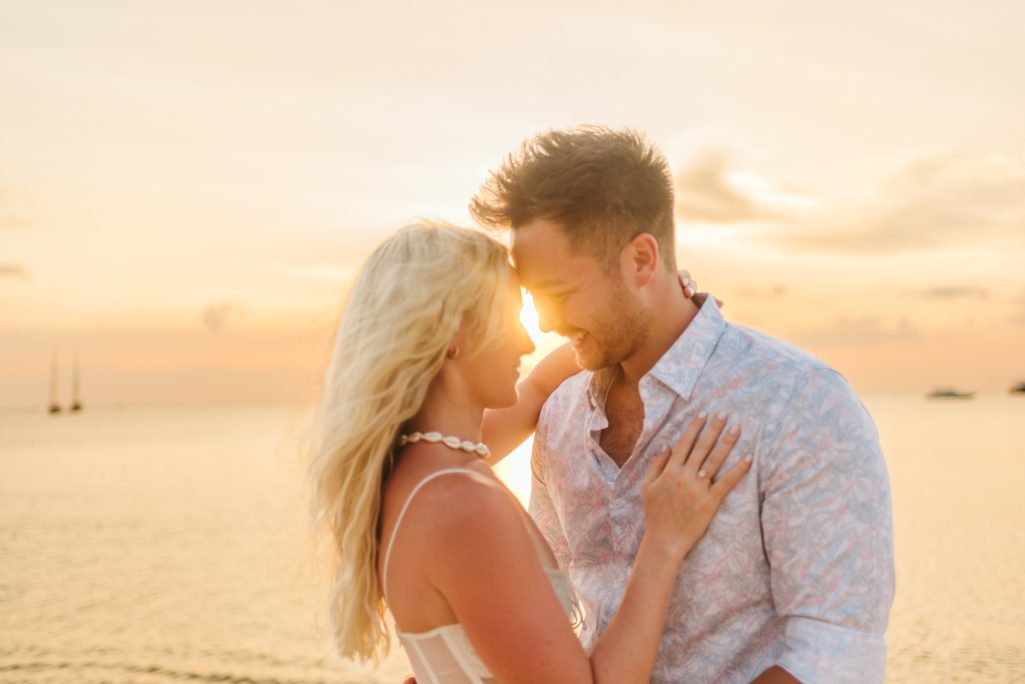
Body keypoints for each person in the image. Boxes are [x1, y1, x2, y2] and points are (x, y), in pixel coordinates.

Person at [469, 126, 896, 683]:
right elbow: (559, 624)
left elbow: (834, 656)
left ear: (642, 260)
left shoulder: (801, 404)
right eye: (534, 299)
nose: (545, 322)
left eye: (560, 293)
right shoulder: (560, 418)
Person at [306, 223, 752, 683]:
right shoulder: (461, 504)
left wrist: (658, 313)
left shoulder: (412, 470)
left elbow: (538, 387)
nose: (525, 341)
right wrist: (664, 542)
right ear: (453, 333)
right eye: (508, 316)